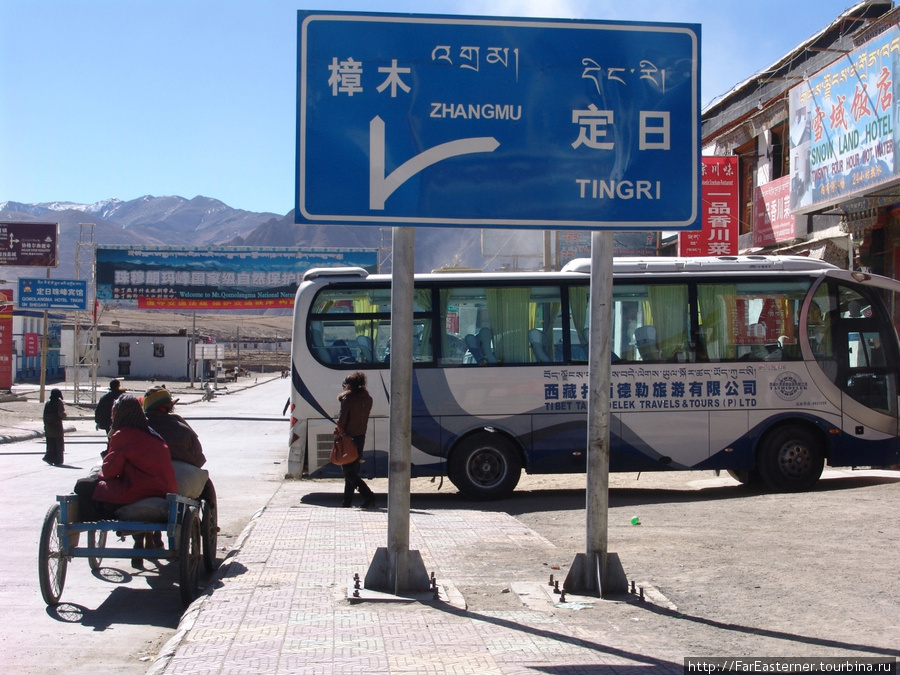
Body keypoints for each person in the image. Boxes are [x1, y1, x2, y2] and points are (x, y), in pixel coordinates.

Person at [73, 395, 177, 567]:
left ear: (121, 414)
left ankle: (98, 518)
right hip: (164, 490)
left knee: (83, 486)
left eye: (114, 412)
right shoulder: (153, 434)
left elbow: (109, 471)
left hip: (138, 490)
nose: (112, 416)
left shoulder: (123, 435)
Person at [142, 386, 217, 514]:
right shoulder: (183, 428)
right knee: (207, 484)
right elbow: (198, 458)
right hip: (181, 477)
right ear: (170, 407)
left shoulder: (139, 427)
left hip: (144, 476)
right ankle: (211, 515)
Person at [336, 371, 375, 509]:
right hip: (360, 438)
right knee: (352, 470)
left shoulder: (348, 399)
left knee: (348, 472)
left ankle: (368, 495)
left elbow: (341, 421)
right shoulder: (368, 399)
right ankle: (347, 502)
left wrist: (340, 432)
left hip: (348, 438)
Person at [42, 388, 66, 466]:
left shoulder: (48, 403)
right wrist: (64, 415)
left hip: (48, 426)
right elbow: (61, 414)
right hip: (57, 427)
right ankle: (56, 459)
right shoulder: (59, 403)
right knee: (58, 444)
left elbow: (44, 415)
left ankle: (50, 457)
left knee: (50, 443)